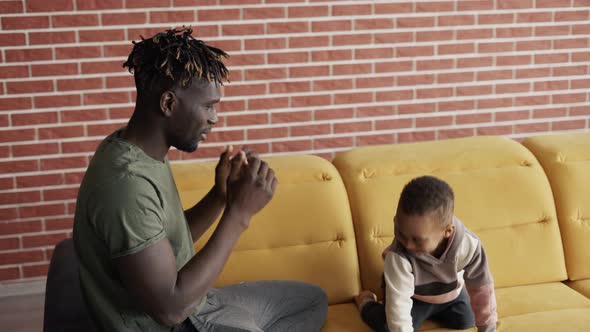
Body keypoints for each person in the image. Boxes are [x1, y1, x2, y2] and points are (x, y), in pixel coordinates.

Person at [72, 27, 328, 332]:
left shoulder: (141, 152)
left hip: (200, 306)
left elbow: (167, 245)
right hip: (177, 322)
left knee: (313, 301)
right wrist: (239, 214)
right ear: (168, 104)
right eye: (208, 105)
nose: (214, 118)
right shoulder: (126, 186)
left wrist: (220, 196)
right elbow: (169, 309)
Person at [355, 176, 497, 332]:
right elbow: (399, 307)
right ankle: (366, 303)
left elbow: (481, 288)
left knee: (466, 321)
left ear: (447, 231)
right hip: (412, 297)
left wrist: (488, 329)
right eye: (401, 233)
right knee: (388, 327)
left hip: (450, 294)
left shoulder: (469, 245)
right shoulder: (398, 257)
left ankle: (435, 313)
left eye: (417, 240)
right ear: (396, 220)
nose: (408, 245)